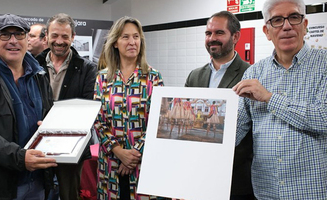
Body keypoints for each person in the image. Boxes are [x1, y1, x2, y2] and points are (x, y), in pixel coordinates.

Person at [233, 0, 327, 199]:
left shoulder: (324, 65)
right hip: (266, 192)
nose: (286, 26)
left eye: (294, 17)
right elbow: (235, 131)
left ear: (305, 25)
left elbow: (323, 118)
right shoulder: (254, 72)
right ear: (267, 31)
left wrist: (268, 98)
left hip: (312, 192)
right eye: (277, 20)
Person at [0, 13, 57, 199]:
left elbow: (49, 115)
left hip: (39, 180)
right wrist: (19, 158)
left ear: (27, 38)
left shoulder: (39, 74)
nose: (13, 41)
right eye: (5, 35)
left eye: (19, 34)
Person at [93, 16, 168, 200]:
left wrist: (133, 155)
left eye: (136, 36)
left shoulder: (153, 78)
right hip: (110, 164)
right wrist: (119, 152)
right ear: (115, 43)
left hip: (143, 164)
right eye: (125, 37)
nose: (132, 42)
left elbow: (160, 120)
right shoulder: (103, 78)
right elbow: (98, 120)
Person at [184, 11, 254, 200]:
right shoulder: (194, 76)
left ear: (235, 36)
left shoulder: (251, 74)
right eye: (208, 33)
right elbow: (186, 122)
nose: (212, 38)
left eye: (219, 33)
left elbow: (256, 132)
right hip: (198, 176)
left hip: (235, 180)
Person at [36, 13, 97, 200]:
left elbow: (89, 109)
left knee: (69, 194)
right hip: (37, 142)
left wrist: (53, 124)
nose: (59, 41)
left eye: (65, 36)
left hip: (72, 147)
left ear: (73, 37)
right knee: (39, 192)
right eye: (55, 35)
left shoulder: (87, 68)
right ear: (47, 36)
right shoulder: (32, 64)